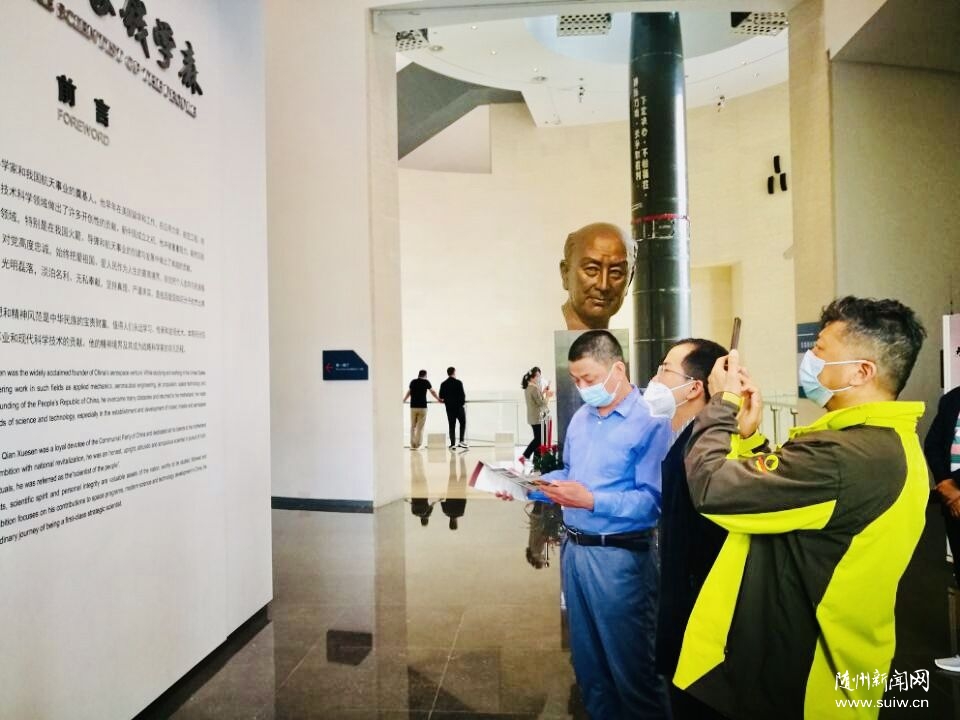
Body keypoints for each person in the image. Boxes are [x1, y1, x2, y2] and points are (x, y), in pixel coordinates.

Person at [677, 296, 928, 719]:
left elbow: (713, 489)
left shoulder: (847, 456)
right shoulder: (883, 444)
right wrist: (751, 441)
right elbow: (795, 502)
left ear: (861, 371)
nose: (809, 359)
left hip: (801, 680)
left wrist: (721, 404)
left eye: (820, 350)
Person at [538, 329, 673, 719]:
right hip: (575, 552)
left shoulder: (650, 421)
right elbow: (572, 473)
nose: (583, 388)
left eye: (589, 379)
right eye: (576, 381)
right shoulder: (582, 419)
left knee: (633, 669)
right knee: (589, 667)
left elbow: (652, 501)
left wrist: (592, 500)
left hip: (620, 558)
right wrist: (535, 486)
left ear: (618, 369)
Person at [646, 338, 731, 720]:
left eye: (664, 369)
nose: (654, 379)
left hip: (700, 616)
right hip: (681, 602)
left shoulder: (706, 451)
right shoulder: (683, 438)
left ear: (695, 387)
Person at [925, 385, 960, 671]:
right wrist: (946, 485)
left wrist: (956, 489)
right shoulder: (952, 399)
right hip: (953, 500)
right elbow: (933, 444)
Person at [559, 222, 630, 330]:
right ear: (565, 273)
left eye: (615, 272)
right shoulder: (541, 332)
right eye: (591, 269)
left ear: (630, 279)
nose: (603, 286)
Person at [520, 366, 553, 465]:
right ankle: (525, 456)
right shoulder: (534, 388)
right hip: (538, 418)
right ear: (532, 377)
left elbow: (536, 399)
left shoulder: (529, 387)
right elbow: (542, 403)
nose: (539, 378)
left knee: (539, 438)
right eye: (537, 376)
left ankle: (536, 461)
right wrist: (548, 396)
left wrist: (543, 392)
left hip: (533, 417)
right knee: (540, 439)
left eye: (539, 375)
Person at [403, 370, 440, 449]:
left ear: (419, 375)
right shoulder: (426, 382)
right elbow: (433, 391)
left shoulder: (413, 382)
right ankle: (418, 445)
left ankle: (412, 445)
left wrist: (404, 400)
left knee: (413, 426)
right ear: (425, 375)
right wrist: (438, 399)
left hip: (413, 407)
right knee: (420, 427)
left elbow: (409, 392)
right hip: (422, 407)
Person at [439, 366, 467, 450]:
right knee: (462, 423)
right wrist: (462, 403)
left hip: (449, 408)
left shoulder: (444, 384)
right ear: (454, 372)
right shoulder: (458, 382)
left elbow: (441, 396)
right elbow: (462, 395)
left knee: (452, 426)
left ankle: (453, 444)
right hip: (459, 407)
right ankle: (461, 441)